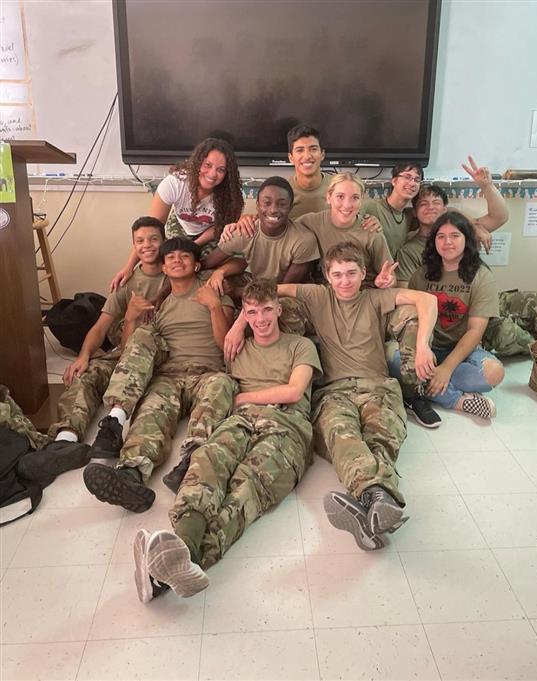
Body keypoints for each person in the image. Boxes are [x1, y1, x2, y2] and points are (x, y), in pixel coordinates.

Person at [132, 279, 322, 601]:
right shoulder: (237, 347)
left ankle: (173, 564)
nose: (260, 319)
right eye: (251, 312)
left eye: (266, 310)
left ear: (278, 309)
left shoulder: (300, 345)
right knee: (207, 464)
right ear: (244, 315)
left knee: (246, 486)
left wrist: (244, 396)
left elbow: (293, 391)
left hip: (287, 426)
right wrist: (236, 325)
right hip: (240, 422)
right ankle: (176, 556)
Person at [254, 242, 438, 551]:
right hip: (333, 392)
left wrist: (423, 345)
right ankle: (379, 500)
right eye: (337, 274)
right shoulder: (316, 295)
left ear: (363, 273)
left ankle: (371, 508)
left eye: (351, 273)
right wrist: (236, 325)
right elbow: (267, 293)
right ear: (326, 276)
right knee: (344, 437)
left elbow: (427, 300)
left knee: (382, 438)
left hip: (378, 386)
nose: (344, 281)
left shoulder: (375, 298)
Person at [83, 237, 237, 512]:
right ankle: (130, 475)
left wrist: (214, 306)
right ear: (164, 267)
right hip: (169, 374)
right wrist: (130, 318)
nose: (177, 260)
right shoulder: (159, 303)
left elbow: (225, 343)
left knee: (220, 393)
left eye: (184, 256)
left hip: (209, 372)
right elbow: (133, 348)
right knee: (151, 412)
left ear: (197, 264)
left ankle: (190, 463)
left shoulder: (213, 291)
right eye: (171, 258)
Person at [17, 217, 167, 482]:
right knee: (87, 376)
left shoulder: (176, 274)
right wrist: (84, 356)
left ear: (163, 241)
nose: (148, 246)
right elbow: (100, 328)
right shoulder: (127, 284)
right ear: (133, 245)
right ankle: (65, 441)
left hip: (158, 359)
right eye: (140, 241)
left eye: (154, 239)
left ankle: (115, 431)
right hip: (124, 353)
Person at [404, 211, 505, 420]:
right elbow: (409, 320)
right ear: (434, 242)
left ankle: (421, 390)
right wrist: (423, 351)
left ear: (467, 239)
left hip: (461, 352)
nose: (447, 242)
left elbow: (475, 331)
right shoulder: (421, 275)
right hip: (425, 348)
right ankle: (457, 400)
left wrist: (447, 368)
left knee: (495, 372)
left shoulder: (482, 276)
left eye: (455, 236)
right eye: (441, 236)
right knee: (392, 359)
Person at [110, 138, 244, 291]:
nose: (212, 174)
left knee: (209, 260)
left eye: (221, 170)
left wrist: (194, 246)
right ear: (198, 162)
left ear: (227, 174)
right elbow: (151, 229)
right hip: (179, 227)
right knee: (166, 259)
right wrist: (129, 267)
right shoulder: (175, 183)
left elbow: (220, 228)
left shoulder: (231, 194)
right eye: (207, 165)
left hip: (211, 233)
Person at [396, 157, 509, 286]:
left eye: (436, 202)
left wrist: (487, 186)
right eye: (423, 204)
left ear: (445, 209)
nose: (430, 207)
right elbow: (406, 292)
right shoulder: (409, 251)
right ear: (414, 212)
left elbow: (499, 218)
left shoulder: (461, 235)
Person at [201, 176, 319, 298]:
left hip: (284, 293)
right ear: (257, 205)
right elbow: (206, 263)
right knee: (211, 282)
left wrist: (237, 293)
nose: (273, 210)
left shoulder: (303, 240)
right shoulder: (245, 230)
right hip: (254, 284)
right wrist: (218, 273)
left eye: (282, 204)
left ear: (290, 207)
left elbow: (284, 289)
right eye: (267, 203)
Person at [296, 173, 395, 286]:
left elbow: (391, 276)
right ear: (329, 197)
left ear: (361, 200)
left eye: (355, 198)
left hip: (364, 292)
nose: (347, 205)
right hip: (329, 292)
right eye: (340, 196)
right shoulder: (311, 222)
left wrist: (386, 281)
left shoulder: (371, 231)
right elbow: (284, 229)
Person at [360, 162, 423, 261]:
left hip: (391, 273)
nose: (412, 183)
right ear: (394, 181)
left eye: (417, 179)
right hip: (367, 274)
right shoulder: (371, 207)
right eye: (407, 177)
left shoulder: (409, 216)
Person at [287, 124, 331, 218]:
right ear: (291, 158)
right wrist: (248, 220)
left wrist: (370, 220)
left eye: (313, 149)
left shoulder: (339, 187)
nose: (307, 156)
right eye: (300, 150)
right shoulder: (282, 191)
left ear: (322, 154)